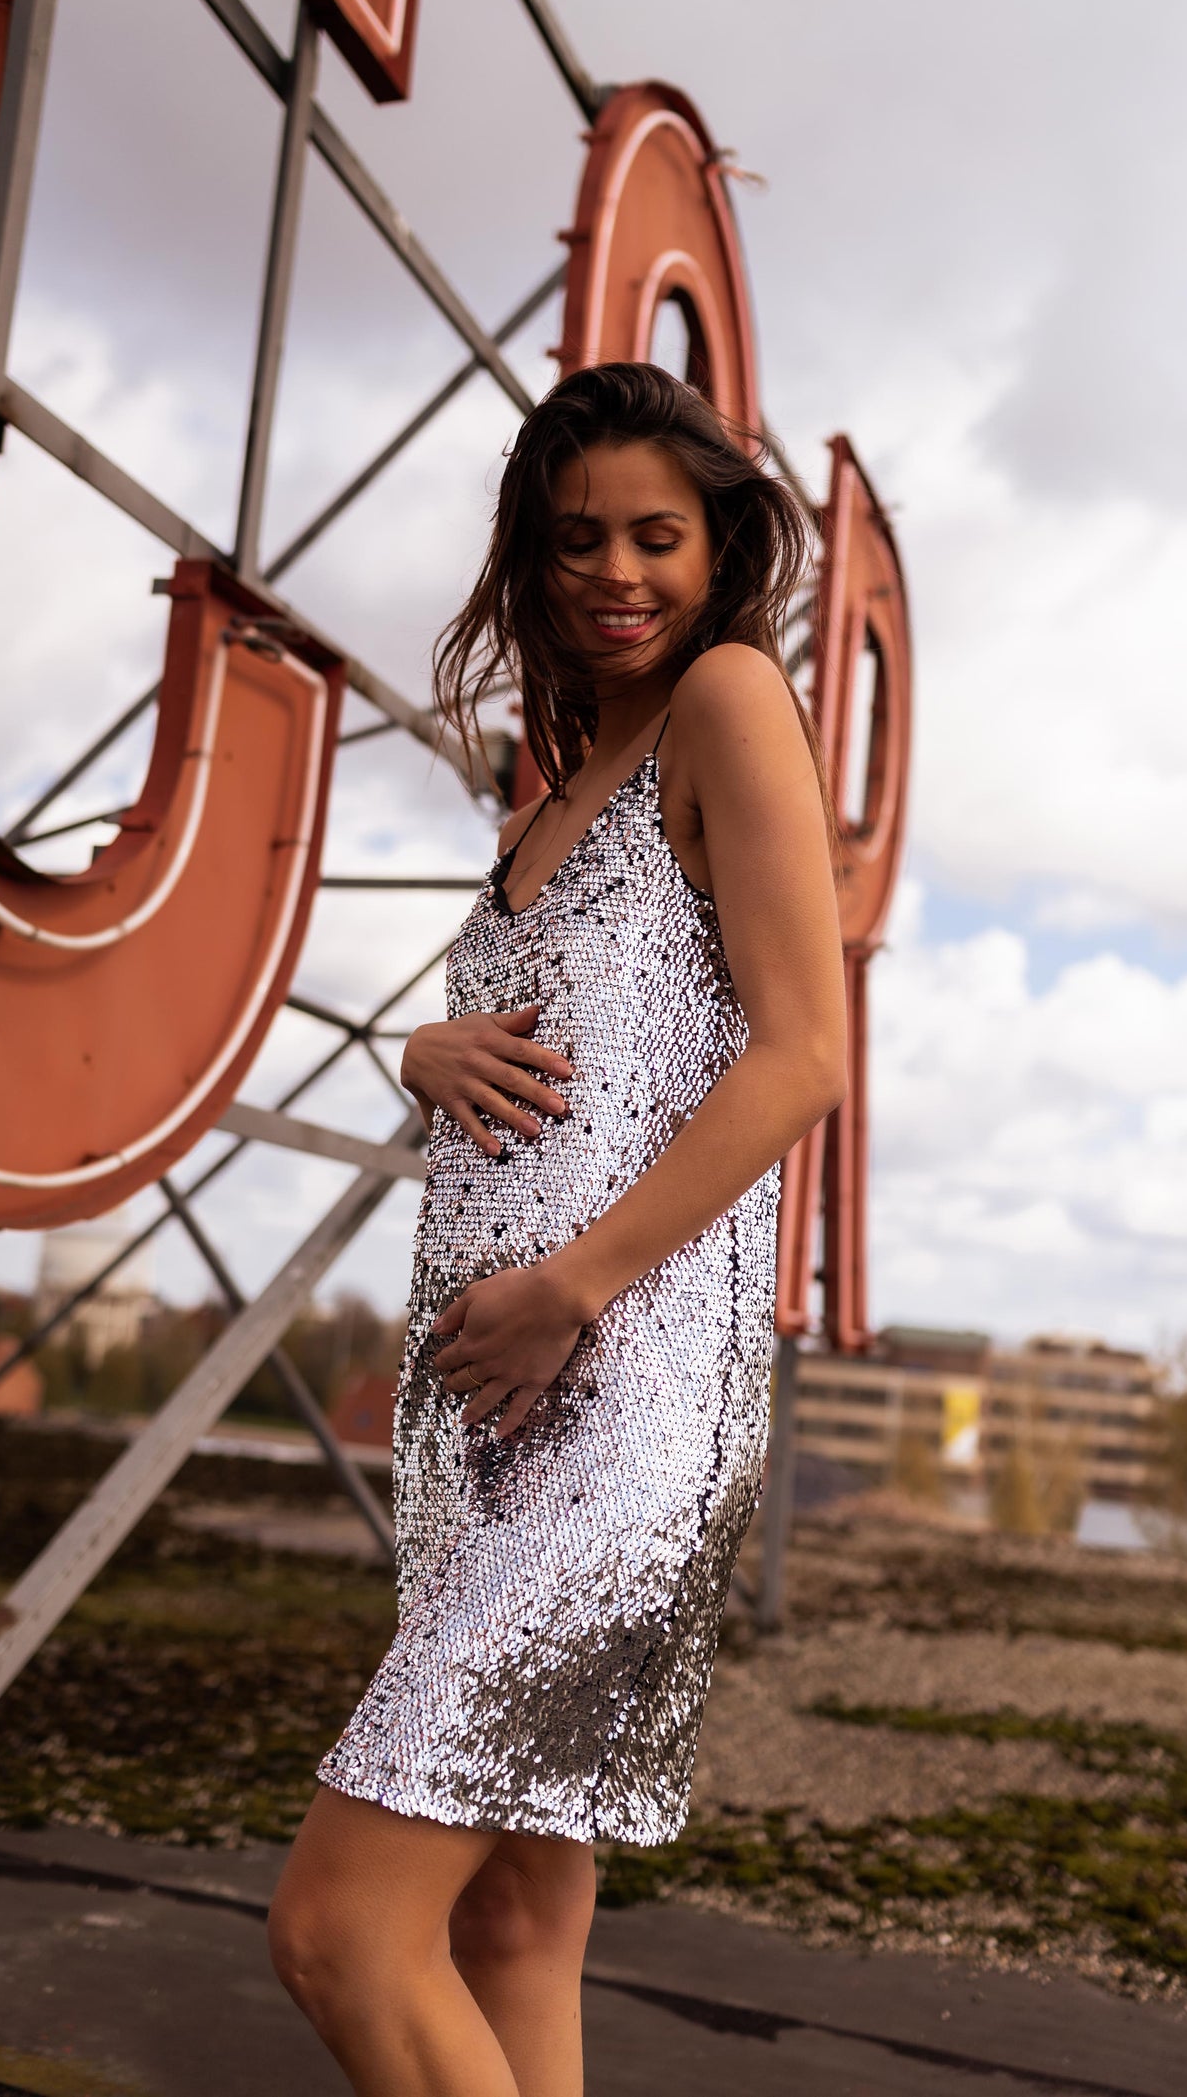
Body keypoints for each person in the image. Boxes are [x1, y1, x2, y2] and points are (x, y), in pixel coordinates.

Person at [267, 362, 847, 2095]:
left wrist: (571, 1288)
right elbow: (569, 1046)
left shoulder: (729, 699)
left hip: (617, 1392)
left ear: (720, 542)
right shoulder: (554, 784)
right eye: (575, 535)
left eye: (656, 535)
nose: (616, 570)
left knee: (341, 1926)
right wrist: (419, 1041)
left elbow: (803, 1051)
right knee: (512, 1927)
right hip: (486, 1417)